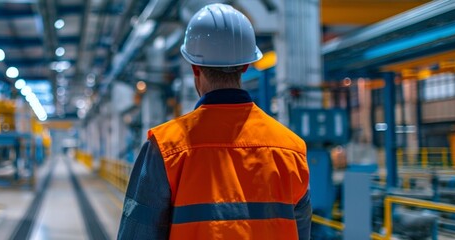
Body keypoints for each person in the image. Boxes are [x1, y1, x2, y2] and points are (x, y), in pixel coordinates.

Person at [117, 3, 311, 240]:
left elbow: (138, 234)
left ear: (195, 68)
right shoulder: (291, 149)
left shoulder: (166, 148)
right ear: (246, 65)